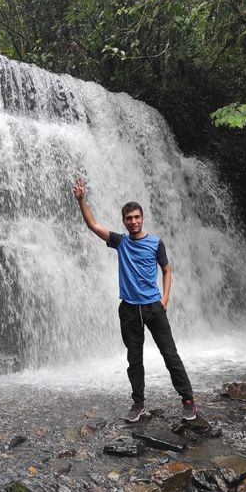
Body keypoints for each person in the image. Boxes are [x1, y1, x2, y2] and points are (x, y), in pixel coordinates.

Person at [72, 178, 197, 422]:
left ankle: (188, 400)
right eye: (129, 218)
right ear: (124, 221)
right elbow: (93, 225)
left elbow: (167, 269)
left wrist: (165, 298)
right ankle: (138, 403)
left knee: (170, 354)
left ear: (143, 218)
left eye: (137, 217)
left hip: (153, 307)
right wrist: (80, 200)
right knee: (134, 358)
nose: (133, 221)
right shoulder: (120, 242)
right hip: (129, 308)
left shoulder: (155, 243)